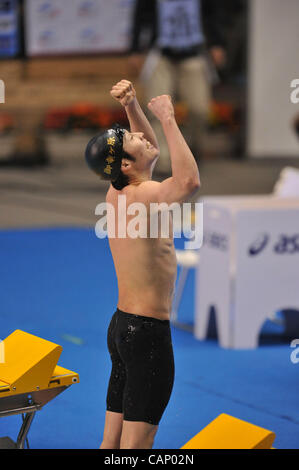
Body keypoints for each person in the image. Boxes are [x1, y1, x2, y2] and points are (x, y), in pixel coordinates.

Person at [85, 79, 200, 449]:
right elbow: (188, 181)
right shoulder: (148, 195)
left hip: (122, 328)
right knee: (135, 451)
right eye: (136, 141)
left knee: (111, 446)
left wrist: (132, 106)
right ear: (124, 162)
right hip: (147, 334)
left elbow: (142, 149)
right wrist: (168, 118)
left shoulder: (117, 189)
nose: (146, 140)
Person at [128, 0, 227, 172]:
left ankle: (190, 152)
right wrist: (135, 49)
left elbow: (213, 14)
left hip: (194, 54)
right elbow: (140, 16)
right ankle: (164, 161)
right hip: (162, 55)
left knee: (199, 109)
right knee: (156, 110)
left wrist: (217, 43)